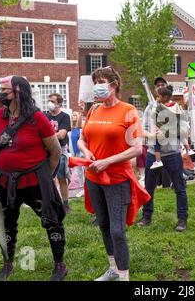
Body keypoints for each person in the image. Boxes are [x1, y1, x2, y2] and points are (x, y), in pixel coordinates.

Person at [0, 76, 66, 281]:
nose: (1, 95)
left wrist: (45, 177)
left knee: (52, 221)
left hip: (35, 181)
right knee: (6, 223)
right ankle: (8, 264)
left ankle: (60, 264)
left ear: (18, 92)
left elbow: (55, 151)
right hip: (5, 182)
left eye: (5, 91)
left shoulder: (37, 117)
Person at [77, 66, 144, 281]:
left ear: (114, 85)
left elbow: (136, 148)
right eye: (95, 81)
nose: (97, 86)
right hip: (93, 178)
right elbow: (81, 138)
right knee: (104, 225)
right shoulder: (93, 110)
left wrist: (107, 162)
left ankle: (124, 276)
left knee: (117, 230)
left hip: (117, 179)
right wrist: (86, 151)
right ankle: (113, 269)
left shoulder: (128, 111)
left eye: (101, 81)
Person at [138, 78, 190, 231]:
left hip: (173, 153)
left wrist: (167, 132)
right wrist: (152, 135)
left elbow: (184, 130)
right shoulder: (150, 108)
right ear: (156, 91)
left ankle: (182, 219)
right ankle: (146, 216)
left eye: (163, 85)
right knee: (149, 187)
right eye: (158, 86)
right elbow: (143, 131)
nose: (160, 88)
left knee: (179, 187)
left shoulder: (177, 108)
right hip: (153, 154)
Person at [46, 93, 72, 213]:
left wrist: (46, 137)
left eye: (52, 101)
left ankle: (65, 204)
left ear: (59, 104)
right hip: (47, 151)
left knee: (62, 178)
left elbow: (61, 135)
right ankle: (51, 203)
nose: (50, 103)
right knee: (48, 178)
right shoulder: (45, 116)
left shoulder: (64, 117)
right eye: (49, 100)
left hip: (60, 150)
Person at [68, 111, 84, 190]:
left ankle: (87, 186)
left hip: (82, 152)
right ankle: (81, 187)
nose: (73, 117)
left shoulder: (81, 128)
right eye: (72, 115)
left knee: (85, 169)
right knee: (79, 170)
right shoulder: (70, 129)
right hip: (75, 152)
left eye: (74, 115)